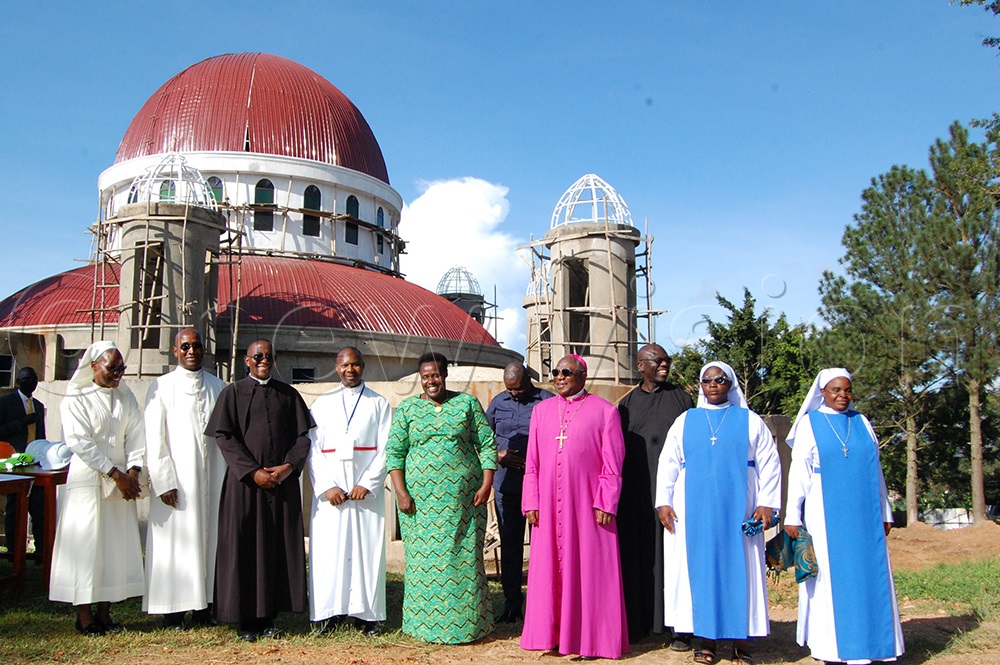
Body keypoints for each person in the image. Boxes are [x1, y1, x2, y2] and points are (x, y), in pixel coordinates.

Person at [654, 361, 781, 665]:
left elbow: (770, 464)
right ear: (700, 385)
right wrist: (663, 501)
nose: (713, 384)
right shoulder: (685, 420)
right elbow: (668, 463)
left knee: (742, 571)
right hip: (691, 510)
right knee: (699, 571)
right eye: (707, 380)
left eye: (720, 379)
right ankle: (705, 640)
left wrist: (767, 503)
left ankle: (741, 642)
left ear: (730, 384)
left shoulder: (750, 421)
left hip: (739, 509)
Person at [784, 368, 904, 664]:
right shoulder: (810, 424)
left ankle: (874, 643)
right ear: (822, 392)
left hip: (864, 512)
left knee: (868, 574)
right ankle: (832, 648)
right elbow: (799, 472)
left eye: (847, 390)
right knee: (832, 578)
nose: (842, 395)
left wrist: (885, 509)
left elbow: (875, 469)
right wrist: (792, 515)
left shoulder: (861, 421)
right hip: (824, 512)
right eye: (836, 390)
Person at [521, 354, 629, 660]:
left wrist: (606, 501)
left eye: (566, 372)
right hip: (547, 506)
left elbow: (612, 464)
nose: (559, 377)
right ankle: (552, 637)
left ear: (583, 375)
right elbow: (532, 463)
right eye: (555, 372)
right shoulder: (541, 412)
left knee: (590, 573)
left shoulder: (605, 412)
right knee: (548, 573)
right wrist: (530, 500)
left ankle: (592, 641)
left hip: (587, 508)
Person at [205, 339, 314, 642]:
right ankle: (245, 620)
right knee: (245, 548)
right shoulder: (232, 393)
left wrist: (288, 467)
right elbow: (224, 437)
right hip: (245, 487)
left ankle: (269, 616)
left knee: (275, 548)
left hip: (280, 485)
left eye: (268, 356)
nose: (264, 360)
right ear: (247, 361)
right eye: (258, 356)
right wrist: (253, 472)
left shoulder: (288, 394)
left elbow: (303, 437)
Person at [386, 351, 496, 644]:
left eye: (435, 375)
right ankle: (424, 626)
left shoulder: (467, 404)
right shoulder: (408, 409)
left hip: (463, 503)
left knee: (464, 559)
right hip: (420, 506)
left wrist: (486, 485)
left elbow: (486, 444)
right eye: (425, 377)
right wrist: (401, 492)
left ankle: (469, 626)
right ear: (419, 379)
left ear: (445, 375)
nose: (431, 381)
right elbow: (394, 453)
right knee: (424, 565)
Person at [49, 341, 145, 636]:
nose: (118, 374)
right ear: (93, 366)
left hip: (121, 482)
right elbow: (79, 441)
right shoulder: (76, 396)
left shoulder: (124, 394)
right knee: (88, 547)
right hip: (89, 479)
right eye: (112, 368)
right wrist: (114, 473)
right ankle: (85, 616)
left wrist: (133, 470)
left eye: (121, 368)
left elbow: (137, 434)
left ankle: (106, 612)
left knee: (113, 548)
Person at [143, 329, 227, 629]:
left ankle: (204, 606)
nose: (192, 351)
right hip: (177, 481)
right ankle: (174, 610)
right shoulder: (162, 387)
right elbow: (154, 438)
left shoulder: (219, 386)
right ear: (175, 351)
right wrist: (164, 480)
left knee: (209, 541)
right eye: (186, 346)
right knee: (176, 543)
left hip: (213, 477)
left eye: (197, 346)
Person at [308, 347, 392, 636]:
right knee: (329, 552)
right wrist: (327, 485)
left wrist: (367, 483)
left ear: (363, 366)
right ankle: (327, 614)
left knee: (366, 551)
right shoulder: (322, 403)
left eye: (356, 365)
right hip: (332, 491)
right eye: (345, 365)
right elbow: (312, 449)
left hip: (363, 491)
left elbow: (386, 448)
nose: (350, 370)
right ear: (336, 367)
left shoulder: (379, 403)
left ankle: (367, 615)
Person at [617, 344, 693, 645]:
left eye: (666, 360)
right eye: (657, 360)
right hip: (636, 495)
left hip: (673, 496)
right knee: (638, 559)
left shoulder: (682, 399)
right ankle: (639, 623)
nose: (664, 365)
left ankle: (680, 628)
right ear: (641, 365)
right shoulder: (625, 405)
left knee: (674, 561)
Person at [485, 362, 553, 623]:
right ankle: (512, 606)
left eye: (518, 389)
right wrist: (498, 455)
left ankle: (541, 608)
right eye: (509, 390)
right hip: (507, 487)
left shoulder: (547, 401)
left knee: (541, 548)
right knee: (511, 548)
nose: (513, 394)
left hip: (539, 487)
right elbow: (483, 439)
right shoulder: (498, 403)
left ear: (529, 379)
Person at [0, 367, 47, 553]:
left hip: (35, 463)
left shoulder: (38, 405)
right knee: (14, 507)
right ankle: (13, 551)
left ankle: (41, 551)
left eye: (34, 379)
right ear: (18, 381)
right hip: (14, 462)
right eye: (26, 379)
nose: (31, 383)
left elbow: (40, 435)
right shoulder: (6, 403)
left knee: (38, 507)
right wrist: (22, 422)